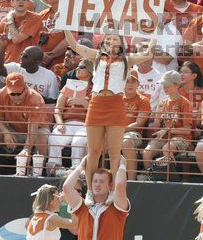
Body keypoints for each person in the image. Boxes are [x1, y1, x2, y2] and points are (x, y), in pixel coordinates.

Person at [64, 30, 155, 206]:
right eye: (109, 39)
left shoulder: (127, 60)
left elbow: (148, 53)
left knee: (114, 153)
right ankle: (89, 191)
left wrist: (155, 32)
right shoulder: (95, 56)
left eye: (115, 39)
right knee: (94, 152)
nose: (112, 41)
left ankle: (113, 191)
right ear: (103, 42)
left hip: (115, 104)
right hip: (97, 103)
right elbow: (75, 46)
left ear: (121, 43)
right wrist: (65, 27)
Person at [48, 59, 93, 176]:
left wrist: (84, 103)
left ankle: (76, 171)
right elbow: (58, 109)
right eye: (77, 66)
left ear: (90, 70)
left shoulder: (97, 89)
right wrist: (60, 123)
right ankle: (54, 170)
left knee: (78, 141)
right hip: (67, 123)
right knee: (54, 138)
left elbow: (98, 113)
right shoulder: (70, 85)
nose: (77, 69)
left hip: (86, 125)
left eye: (81, 67)